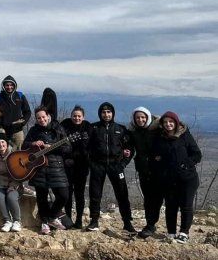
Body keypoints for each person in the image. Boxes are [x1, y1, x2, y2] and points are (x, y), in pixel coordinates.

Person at [151, 111, 201, 243]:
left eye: (171, 121)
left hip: (187, 178)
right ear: (162, 124)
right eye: (166, 122)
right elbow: (155, 155)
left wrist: (186, 165)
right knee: (171, 206)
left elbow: (197, 154)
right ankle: (171, 232)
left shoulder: (184, 135)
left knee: (186, 206)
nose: (168, 124)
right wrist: (157, 160)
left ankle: (184, 232)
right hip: (168, 179)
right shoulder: (160, 138)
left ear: (176, 122)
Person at [23, 107, 71, 235]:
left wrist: (52, 148)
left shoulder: (58, 128)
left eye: (43, 117)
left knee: (64, 195)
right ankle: (44, 223)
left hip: (56, 167)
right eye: (38, 118)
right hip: (39, 168)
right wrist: (33, 143)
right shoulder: (33, 130)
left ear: (48, 116)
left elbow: (67, 148)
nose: (41, 120)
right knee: (41, 197)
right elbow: (24, 146)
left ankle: (52, 217)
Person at [87, 102, 134, 233]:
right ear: (100, 114)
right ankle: (94, 221)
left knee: (122, 194)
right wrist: (91, 163)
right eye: (103, 112)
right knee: (95, 194)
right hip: (98, 165)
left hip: (116, 166)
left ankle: (127, 223)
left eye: (109, 112)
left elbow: (130, 148)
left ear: (113, 113)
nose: (106, 114)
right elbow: (86, 147)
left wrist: (123, 163)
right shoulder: (93, 128)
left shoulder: (121, 129)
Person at [129, 107, 162, 239]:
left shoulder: (157, 130)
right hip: (143, 170)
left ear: (148, 117)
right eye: (138, 117)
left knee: (159, 199)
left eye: (143, 117)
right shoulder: (134, 132)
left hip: (159, 170)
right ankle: (150, 225)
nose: (140, 120)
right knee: (148, 199)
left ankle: (176, 229)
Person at [60, 106, 91, 229]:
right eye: (74, 115)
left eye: (79, 116)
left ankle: (79, 220)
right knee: (67, 193)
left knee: (79, 194)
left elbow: (90, 145)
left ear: (83, 117)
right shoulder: (65, 124)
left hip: (82, 166)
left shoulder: (88, 126)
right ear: (71, 115)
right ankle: (67, 219)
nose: (76, 118)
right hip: (66, 165)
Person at [0, 75, 31, 150]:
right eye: (7, 85)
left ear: (14, 85)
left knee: (19, 152)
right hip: (3, 130)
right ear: (4, 86)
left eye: (11, 85)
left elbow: (27, 111)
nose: (9, 87)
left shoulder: (20, 95)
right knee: (3, 151)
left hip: (17, 130)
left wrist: (22, 122)